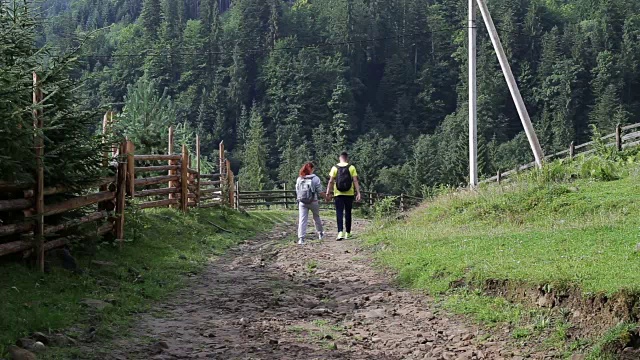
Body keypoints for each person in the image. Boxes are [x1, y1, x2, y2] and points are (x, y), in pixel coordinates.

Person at [326, 152, 361, 240]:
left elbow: (331, 181)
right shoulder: (351, 167)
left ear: (339, 158)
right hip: (349, 193)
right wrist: (358, 192)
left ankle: (340, 232)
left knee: (339, 212)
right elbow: (355, 180)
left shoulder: (335, 168)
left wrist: (328, 192)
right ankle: (348, 233)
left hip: (338, 193)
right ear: (347, 158)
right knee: (348, 213)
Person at [295, 162, 325, 245]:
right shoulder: (315, 178)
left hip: (302, 202)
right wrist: (326, 197)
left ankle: (301, 238)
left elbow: (297, 191)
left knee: (302, 219)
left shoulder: (300, 179)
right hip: (313, 201)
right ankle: (320, 233)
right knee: (316, 217)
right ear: (311, 169)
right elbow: (319, 191)